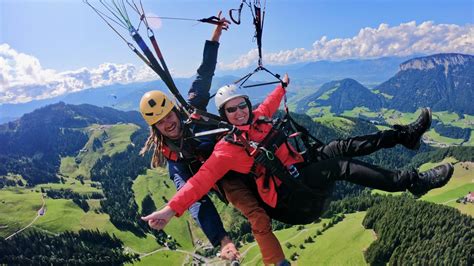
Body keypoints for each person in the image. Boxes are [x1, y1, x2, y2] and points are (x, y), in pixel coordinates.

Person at [142, 74, 454, 265]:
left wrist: (283, 86)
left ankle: (405, 135)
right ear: (224, 115)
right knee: (339, 166)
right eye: (231, 109)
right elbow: (199, 182)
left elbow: (271, 102)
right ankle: (413, 182)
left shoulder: (258, 118)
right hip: (289, 198)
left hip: (298, 171)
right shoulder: (227, 149)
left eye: (241, 106)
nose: (238, 112)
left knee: (340, 146)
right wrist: (171, 210)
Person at [138, 12, 240, 260]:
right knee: (240, 194)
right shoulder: (174, 157)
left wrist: (215, 36)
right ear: (155, 129)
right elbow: (194, 198)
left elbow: (204, 73)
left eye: (168, 116)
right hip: (225, 177)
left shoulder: (192, 109)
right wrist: (222, 240)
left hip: (237, 152)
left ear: (175, 110)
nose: (168, 123)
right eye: (160, 123)